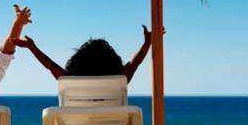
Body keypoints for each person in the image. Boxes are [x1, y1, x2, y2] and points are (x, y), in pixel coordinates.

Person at [12, 25, 159, 83]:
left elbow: (50, 65)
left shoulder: (69, 80)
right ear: (112, 61)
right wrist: (148, 42)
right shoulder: (121, 78)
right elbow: (135, 63)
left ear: (78, 61)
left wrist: (32, 47)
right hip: (113, 124)